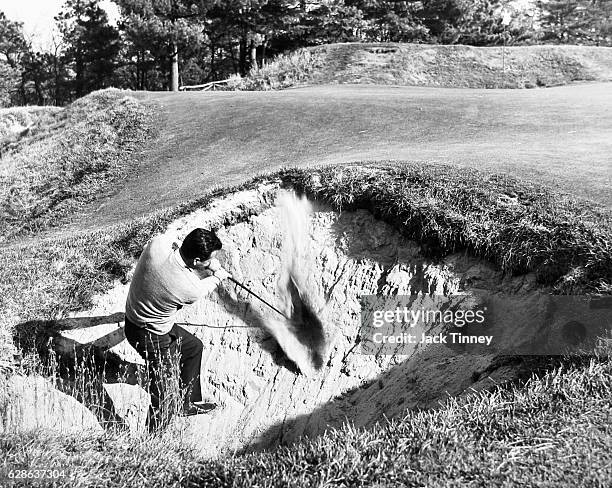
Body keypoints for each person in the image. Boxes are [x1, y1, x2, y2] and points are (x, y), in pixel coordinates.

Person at [123, 228, 231, 431]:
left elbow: (175, 242)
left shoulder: (158, 245)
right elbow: (204, 286)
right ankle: (152, 442)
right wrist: (219, 275)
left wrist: (211, 264)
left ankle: (187, 402)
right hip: (150, 335)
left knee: (193, 348)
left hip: (137, 316)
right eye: (209, 260)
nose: (211, 263)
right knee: (163, 395)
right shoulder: (188, 287)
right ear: (197, 261)